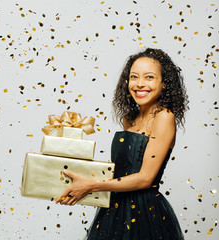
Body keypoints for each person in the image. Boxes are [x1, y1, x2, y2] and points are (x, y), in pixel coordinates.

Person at [55, 48, 188, 239]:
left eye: (149, 77)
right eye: (134, 77)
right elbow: (121, 170)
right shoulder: (129, 119)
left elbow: (145, 178)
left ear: (164, 83)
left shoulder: (164, 117)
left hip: (145, 213)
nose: (140, 84)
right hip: (114, 209)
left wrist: (90, 186)